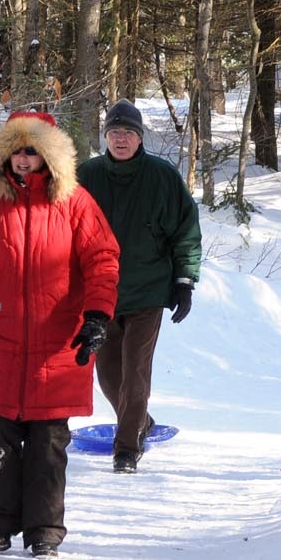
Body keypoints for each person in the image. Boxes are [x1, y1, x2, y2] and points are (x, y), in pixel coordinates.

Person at [0, 110, 119, 558]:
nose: (23, 159)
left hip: (59, 342)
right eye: (15, 151)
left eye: (32, 150)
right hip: (6, 345)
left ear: (49, 156)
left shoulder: (76, 204)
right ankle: (0, 525)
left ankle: (44, 530)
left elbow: (102, 262)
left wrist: (96, 317)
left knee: (48, 443)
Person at [76, 99, 202, 474]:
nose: (120, 139)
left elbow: (186, 231)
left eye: (128, 133)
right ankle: (140, 421)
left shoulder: (162, 177)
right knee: (108, 374)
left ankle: (127, 449)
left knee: (136, 372)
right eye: (114, 132)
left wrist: (184, 281)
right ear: (106, 137)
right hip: (101, 293)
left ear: (139, 137)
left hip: (147, 290)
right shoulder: (87, 176)